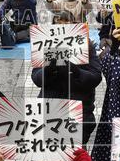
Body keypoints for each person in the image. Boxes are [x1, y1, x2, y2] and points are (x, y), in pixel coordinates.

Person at [30, 11, 103, 144]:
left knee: (75, 155)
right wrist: (49, 68)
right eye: (59, 25)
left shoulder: (87, 46)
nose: (63, 29)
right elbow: (36, 78)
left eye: (67, 25)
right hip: (51, 109)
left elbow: (96, 77)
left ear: (75, 26)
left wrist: (75, 70)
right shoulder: (44, 45)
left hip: (79, 111)